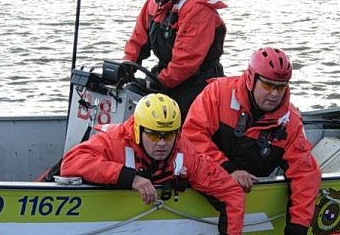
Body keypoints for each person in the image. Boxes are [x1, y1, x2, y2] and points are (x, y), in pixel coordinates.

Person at [60, 93, 245, 235]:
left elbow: (231, 193)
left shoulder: (186, 154)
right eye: (154, 135)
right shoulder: (114, 142)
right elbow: (70, 163)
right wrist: (129, 178)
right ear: (138, 130)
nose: (162, 143)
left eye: (169, 135)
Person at [182, 47, 321, 235]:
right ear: (251, 79)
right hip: (205, 177)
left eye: (281, 87)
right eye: (268, 85)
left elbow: (305, 174)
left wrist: (297, 227)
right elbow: (191, 136)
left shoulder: (291, 121)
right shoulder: (217, 94)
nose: (274, 94)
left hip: (250, 187)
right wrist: (228, 169)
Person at [123, 0, 227, 118]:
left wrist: (157, 83)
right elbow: (138, 39)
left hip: (197, 85)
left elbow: (185, 61)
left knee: (186, 134)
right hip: (167, 77)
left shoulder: (199, 6)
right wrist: (126, 66)